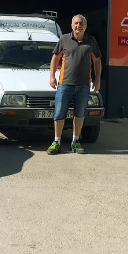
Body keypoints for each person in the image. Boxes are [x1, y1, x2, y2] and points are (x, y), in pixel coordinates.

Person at [47, 14, 101, 154]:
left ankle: (75, 141)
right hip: (65, 84)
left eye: (81, 23)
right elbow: (55, 58)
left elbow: (97, 61)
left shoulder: (91, 41)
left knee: (80, 114)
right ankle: (56, 142)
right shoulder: (64, 39)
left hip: (84, 85)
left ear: (85, 26)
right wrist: (52, 77)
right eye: (76, 23)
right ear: (72, 25)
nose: (78, 25)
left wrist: (97, 80)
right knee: (59, 113)